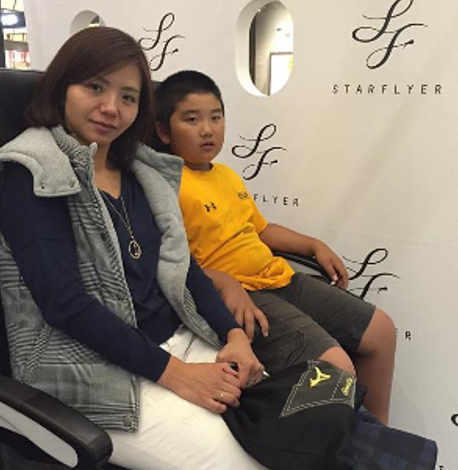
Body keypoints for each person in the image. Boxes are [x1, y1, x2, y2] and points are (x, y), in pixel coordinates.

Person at [0, 27, 269, 470]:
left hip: (178, 341)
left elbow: (183, 265)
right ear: (62, 87)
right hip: (92, 371)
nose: (111, 107)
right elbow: (65, 304)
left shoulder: (140, 171)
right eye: (95, 87)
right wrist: (179, 376)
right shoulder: (33, 170)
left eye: (128, 97)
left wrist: (233, 335)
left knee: (280, 437)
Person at [154, 70, 397, 425]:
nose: (207, 129)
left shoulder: (226, 175)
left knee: (381, 331)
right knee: (336, 369)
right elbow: (167, 263)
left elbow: (262, 229)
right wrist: (225, 283)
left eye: (216, 117)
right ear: (163, 131)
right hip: (242, 297)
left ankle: (381, 438)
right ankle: (345, 447)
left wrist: (313, 244)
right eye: (192, 120)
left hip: (279, 278)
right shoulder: (164, 184)